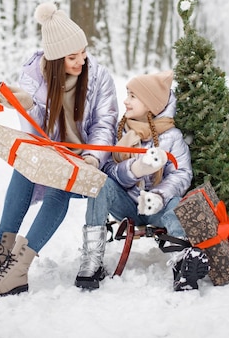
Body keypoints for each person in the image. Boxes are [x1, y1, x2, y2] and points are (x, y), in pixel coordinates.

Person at [0, 2, 118, 297]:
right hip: (51, 154)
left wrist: (91, 157)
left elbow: (106, 122)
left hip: (85, 160)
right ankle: (1, 253)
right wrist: (27, 103)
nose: (81, 61)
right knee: (24, 170)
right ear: (54, 60)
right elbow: (36, 132)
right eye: (72, 57)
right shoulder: (35, 75)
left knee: (59, 186)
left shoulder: (99, 77)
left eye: (83, 53)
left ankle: (18, 268)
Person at [74, 70, 209, 292]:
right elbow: (108, 168)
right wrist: (135, 169)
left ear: (150, 103)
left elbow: (182, 174)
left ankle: (182, 264)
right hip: (126, 205)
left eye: (133, 96)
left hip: (158, 209)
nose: (125, 101)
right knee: (100, 183)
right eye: (127, 94)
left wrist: (159, 195)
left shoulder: (172, 137)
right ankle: (91, 262)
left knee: (176, 204)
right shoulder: (121, 131)